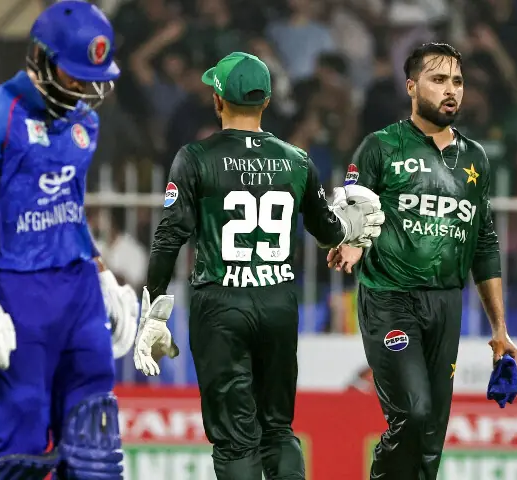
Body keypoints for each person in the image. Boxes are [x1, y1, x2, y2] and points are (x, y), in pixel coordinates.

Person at [132, 51, 385, 480]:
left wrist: (154, 310)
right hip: (277, 303)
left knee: (235, 439)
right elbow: (329, 230)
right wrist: (350, 229)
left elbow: (169, 237)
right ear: (265, 102)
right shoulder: (297, 160)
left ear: (217, 99)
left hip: (220, 303)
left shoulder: (195, 157)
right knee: (278, 430)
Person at [0, 2, 138, 478]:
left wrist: (103, 275)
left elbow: (68, 211)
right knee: (21, 446)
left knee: (93, 442)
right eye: (75, 75)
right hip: (16, 289)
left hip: (78, 289)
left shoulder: (84, 122)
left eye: (92, 78)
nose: (84, 88)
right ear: (41, 58)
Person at [326, 42, 517, 480]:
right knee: (412, 413)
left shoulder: (475, 158)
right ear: (412, 86)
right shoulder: (380, 147)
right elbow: (350, 206)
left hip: (446, 304)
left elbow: (484, 244)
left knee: (431, 437)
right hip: (389, 298)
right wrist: (352, 240)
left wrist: (500, 330)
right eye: (438, 80)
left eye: (457, 81)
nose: (451, 90)